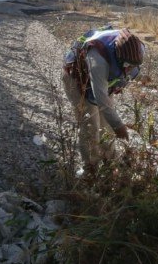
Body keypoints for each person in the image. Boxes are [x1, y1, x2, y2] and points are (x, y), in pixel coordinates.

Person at [62, 27, 145, 168]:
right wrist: (119, 127)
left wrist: (115, 126)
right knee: (90, 126)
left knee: (107, 125)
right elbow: (101, 99)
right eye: (128, 65)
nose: (130, 69)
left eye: (133, 66)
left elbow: (107, 101)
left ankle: (110, 161)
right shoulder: (98, 59)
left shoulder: (138, 50)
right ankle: (91, 167)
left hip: (103, 82)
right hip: (76, 80)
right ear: (118, 56)